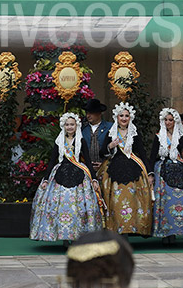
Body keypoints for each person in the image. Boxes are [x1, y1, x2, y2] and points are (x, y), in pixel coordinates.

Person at [30, 112, 103, 242]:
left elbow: (87, 160)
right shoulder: (59, 141)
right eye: (67, 124)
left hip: (79, 174)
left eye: (72, 124)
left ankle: (77, 237)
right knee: (60, 207)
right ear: (63, 126)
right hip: (60, 174)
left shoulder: (81, 140)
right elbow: (52, 161)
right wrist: (46, 179)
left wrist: (94, 179)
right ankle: (63, 238)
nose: (69, 127)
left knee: (78, 208)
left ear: (76, 126)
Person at [98, 104, 153, 235]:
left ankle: (130, 229)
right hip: (114, 168)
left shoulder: (134, 133)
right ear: (116, 117)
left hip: (133, 168)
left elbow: (142, 153)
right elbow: (102, 153)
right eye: (121, 115)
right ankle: (116, 229)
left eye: (126, 116)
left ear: (130, 118)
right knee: (115, 201)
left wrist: (149, 173)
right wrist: (110, 146)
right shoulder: (111, 132)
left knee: (133, 199)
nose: (124, 118)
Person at [149, 108, 183, 239]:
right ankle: (165, 233)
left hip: (180, 169)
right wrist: (150, 173)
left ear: (175, 122)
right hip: (162, 169)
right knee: (165, 201)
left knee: (179, 200)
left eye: (170, 120)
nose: (168, 122)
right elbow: (152, 157)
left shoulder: (182, 137)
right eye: (166, 120)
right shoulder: (158, 137)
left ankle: (176, 232)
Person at [81, 99, 113, 175]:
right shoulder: (82, 129)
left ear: (99, 113)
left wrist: (104, 164)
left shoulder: (110, 127)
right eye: (87, 113)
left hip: (106, 169)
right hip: (87, 170)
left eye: (91, 113)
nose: (88, 115)